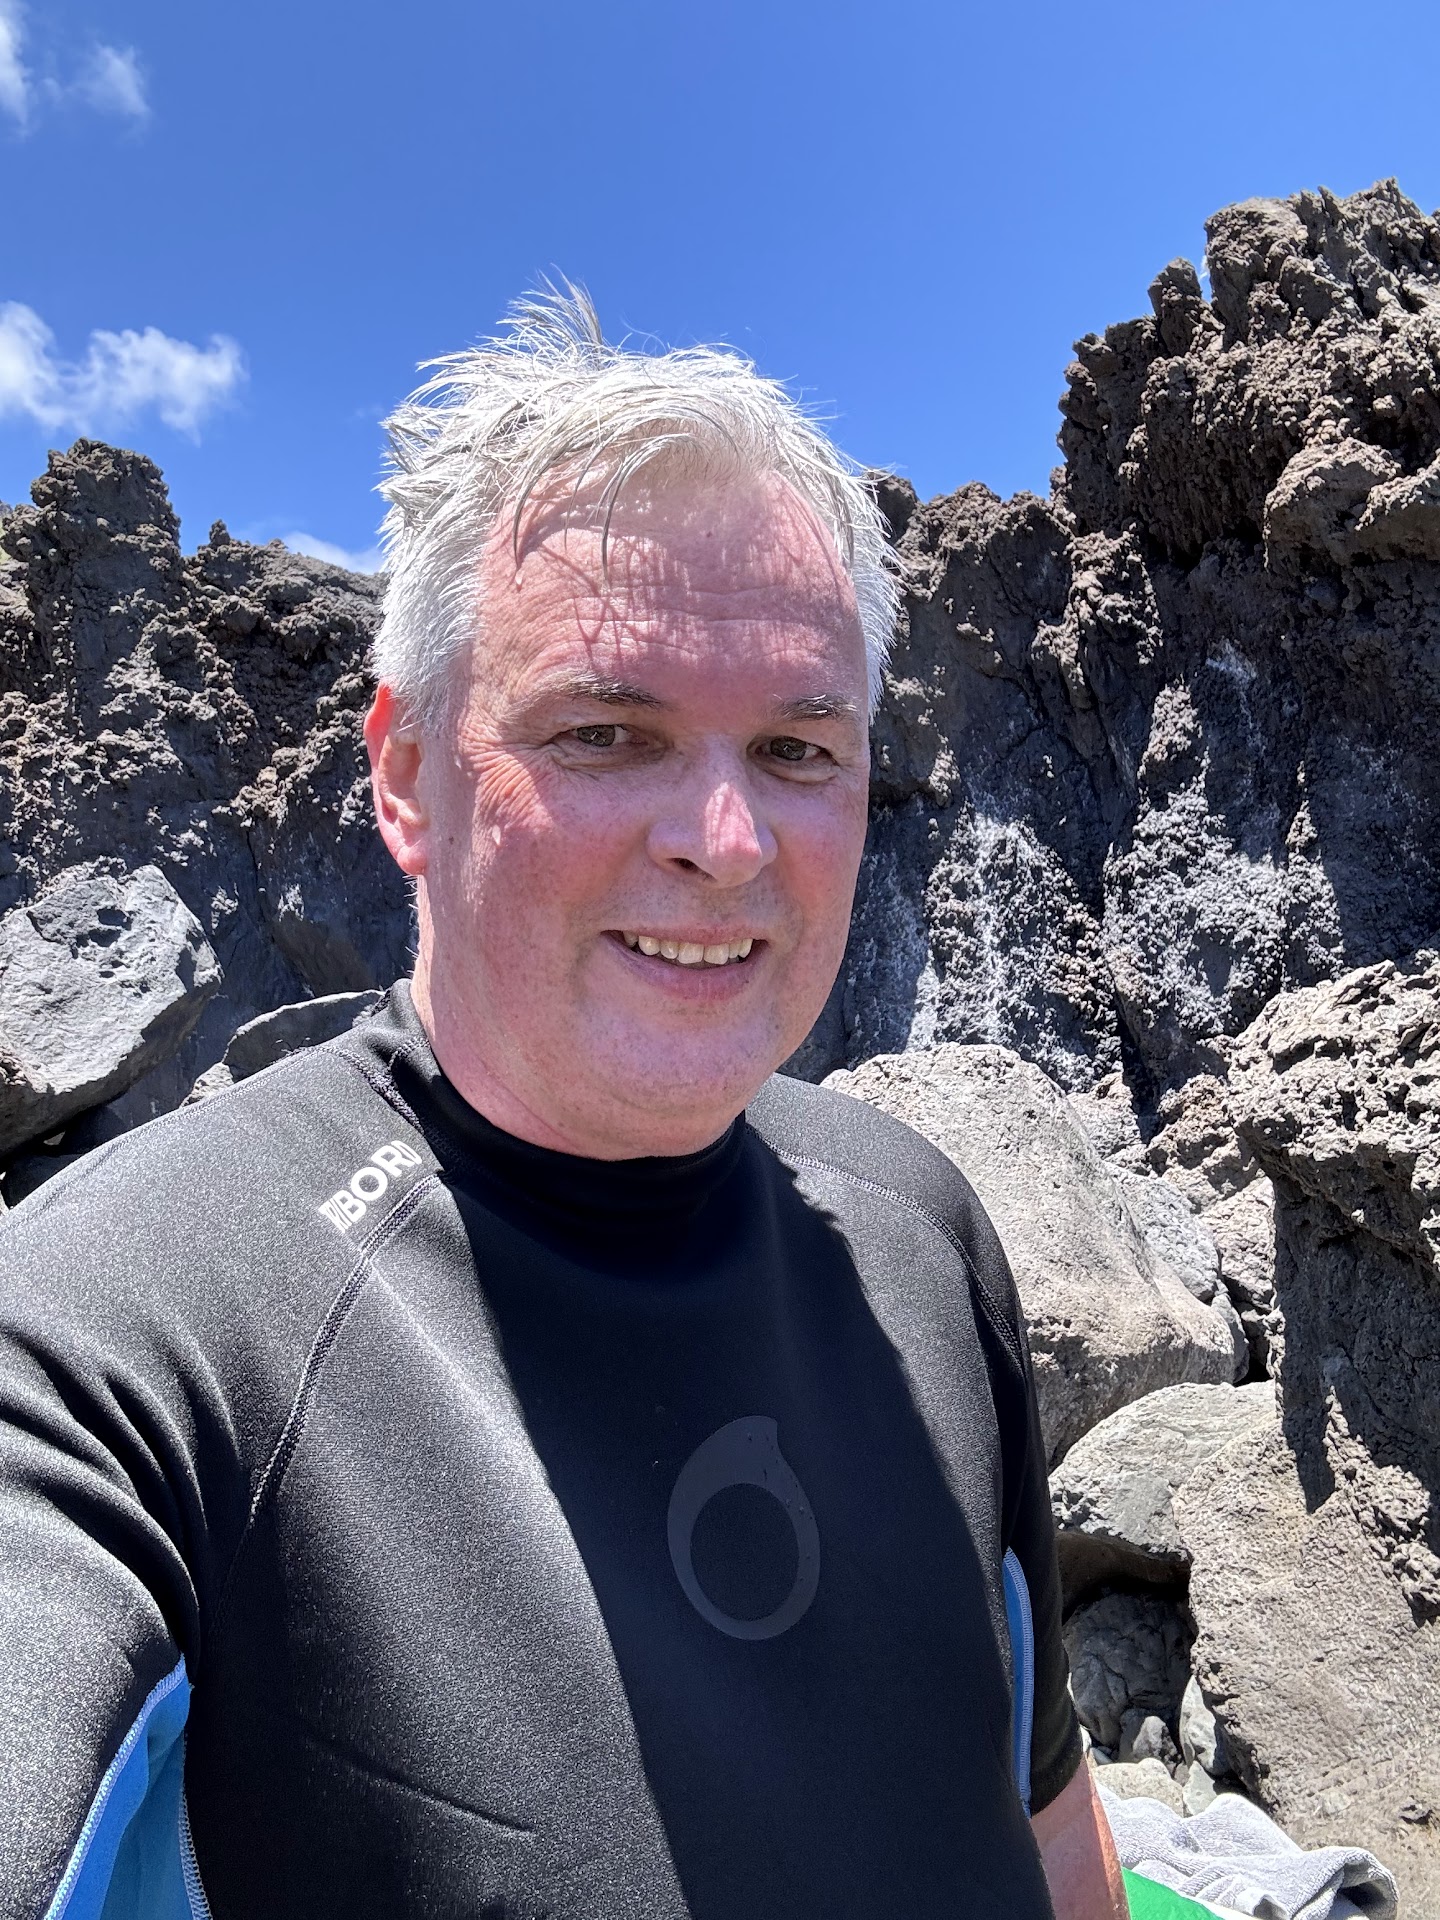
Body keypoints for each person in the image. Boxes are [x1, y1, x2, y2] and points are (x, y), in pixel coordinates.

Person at [0, 290, 1125, 1920]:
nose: (725, 842)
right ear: (405, 775)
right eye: (608, 732)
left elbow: (1045, 1811)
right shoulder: (123, 1327)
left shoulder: (917, 1228)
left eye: (799, 750)